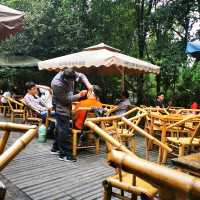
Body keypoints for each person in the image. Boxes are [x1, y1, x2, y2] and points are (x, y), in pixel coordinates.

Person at [51, 68, 93, 162]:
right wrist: (79, 95)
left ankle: (55, 147)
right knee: (64, 130)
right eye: (72, 81)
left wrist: (88, 85)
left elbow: (81, 75)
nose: (73, 82)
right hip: (60, 106)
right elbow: (65, 99)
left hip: (68, 104)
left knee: (60, 128)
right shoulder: (57, 84)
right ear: (66, 79)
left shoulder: (71, 73)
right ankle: (64, 154)